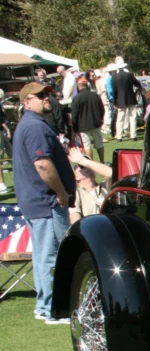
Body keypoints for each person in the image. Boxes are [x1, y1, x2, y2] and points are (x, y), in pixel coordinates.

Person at [11, 82, 75, 324]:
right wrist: (61, 192)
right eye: (40, 95)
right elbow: (42, 164)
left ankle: (44, 305)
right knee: (52, 255)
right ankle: (52, 309)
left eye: (48, 93)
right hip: (46, 200)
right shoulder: (35, 127)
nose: (47, 97)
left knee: (42, 255)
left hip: (36, 200)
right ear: (27, 102)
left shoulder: (30, 124)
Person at [67, 147, 110, 223]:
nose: (86, 166)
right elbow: (75, 219)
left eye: (88, 164)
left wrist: (84, 161)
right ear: (76, 176)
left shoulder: (105, 186)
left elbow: (110, 174)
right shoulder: (76, 195)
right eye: (81, 165)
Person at [71, 75, 105, 163]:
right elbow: (102, 109)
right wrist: (101, 120)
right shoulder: (95, 95)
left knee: (87, 145)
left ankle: (91, 163)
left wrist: (75, 126)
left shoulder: (76, 98)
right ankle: (102, 161)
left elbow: (74, 114)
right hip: (96, 123)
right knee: (99, 144)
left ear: (78, 86)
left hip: (83, 126)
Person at [111, 62, 142, 141]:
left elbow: (114, 91)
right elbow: (137, 83)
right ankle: (133, 135)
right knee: (132, 117)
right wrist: (139, 86)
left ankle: (119, 136)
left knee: (120, 119)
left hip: (120, 100)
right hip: (131, 98)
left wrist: (114, 102)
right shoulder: (129, 75)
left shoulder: (114, 77)